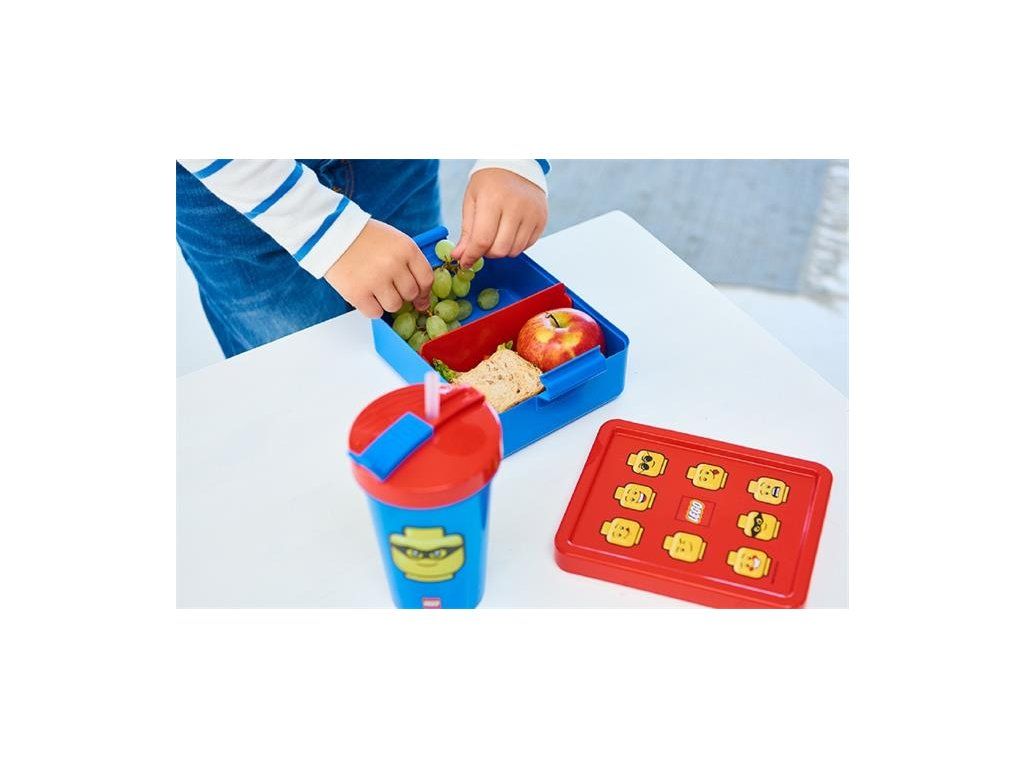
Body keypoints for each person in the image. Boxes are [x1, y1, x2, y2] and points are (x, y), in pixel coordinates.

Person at [176, 159, 550, 357]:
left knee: (414, 292)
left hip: (394, 166)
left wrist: (514, 158)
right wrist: (324, 229)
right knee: (304, 371)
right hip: (242, 196)